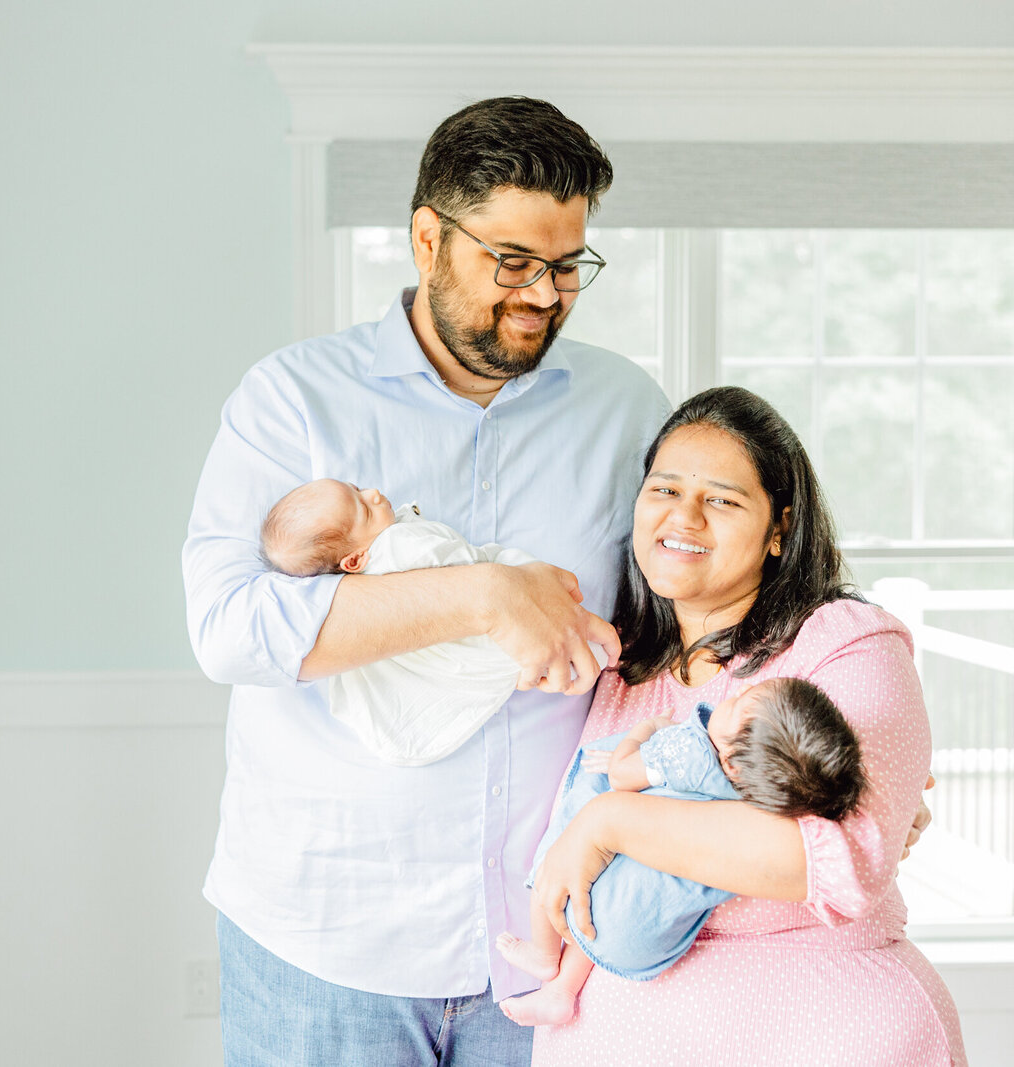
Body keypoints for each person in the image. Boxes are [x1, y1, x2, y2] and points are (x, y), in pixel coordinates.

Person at [183, 96, 672, 1066]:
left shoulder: (626, 410)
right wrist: (486, 593)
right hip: (321, 946)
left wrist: (828, 737)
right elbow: (228, 627)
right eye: (514, 262)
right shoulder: (293, 402)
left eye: (569, 264)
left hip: (547, 947)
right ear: (425, 238)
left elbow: (698, 612)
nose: (544, 293)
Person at [526, 386, 965, 1065]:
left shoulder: (843, 643)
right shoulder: (620, 664)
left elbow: (829, 861)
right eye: (664, 489)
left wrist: (608, 824)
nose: (684, 516)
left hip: (821, 1039)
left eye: (722, 499)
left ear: (780, 528)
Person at [495, 677, 866, 1027]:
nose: (738, 691)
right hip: (647, 932)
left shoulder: (688, 753)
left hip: (602, 903)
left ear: (734, 764)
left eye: (738, 702)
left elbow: (621, 776)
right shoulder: (764, 802)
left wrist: (648, 731)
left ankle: (544, 957)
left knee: (556, 863)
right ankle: (561, 992)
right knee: (609, 896)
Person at [261, 478, 540, 766]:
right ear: (354, 561)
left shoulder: (361, 580)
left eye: (357, 489)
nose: (375, 495)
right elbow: (469, 566)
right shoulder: (401, 545)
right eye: (366, 509)